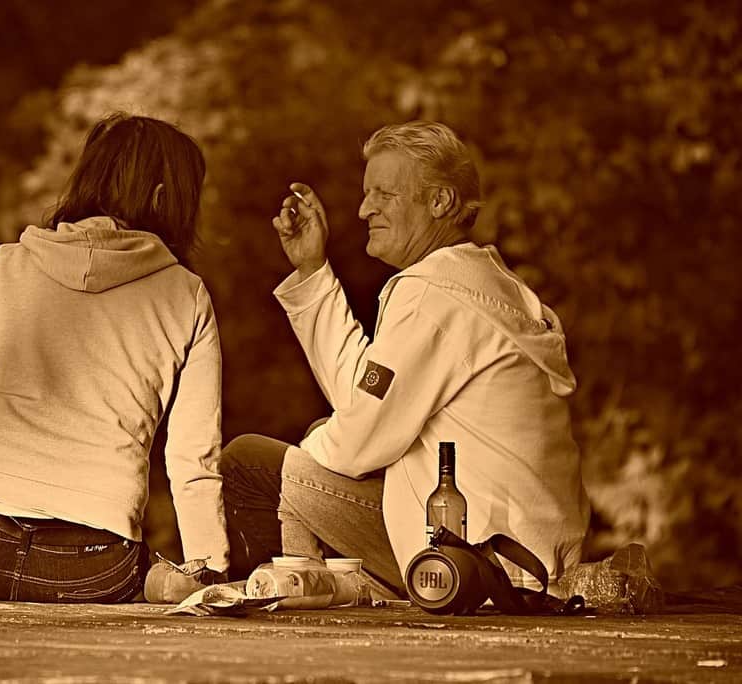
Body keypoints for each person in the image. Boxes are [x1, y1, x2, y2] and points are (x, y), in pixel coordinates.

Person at [0, 113, 229, 603]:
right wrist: (211, 569)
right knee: (125, 559)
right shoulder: (187, 297)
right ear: (165, 200)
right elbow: (193, 456)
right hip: (93, 568)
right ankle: (152, 579)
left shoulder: (14, 263)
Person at [220, 121, 590, 594]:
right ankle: (315, 591)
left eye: (384, 194)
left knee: (247, 464)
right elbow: (365, 401)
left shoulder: (433, 294)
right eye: (365, 193)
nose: (362, 209)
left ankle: (285, 618)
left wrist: (303, 464)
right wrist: (313, 270)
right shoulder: (487, 284)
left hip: (474, 567)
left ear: (439, 202)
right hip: (524, 561)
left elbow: (357, 438)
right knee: (318, 443)